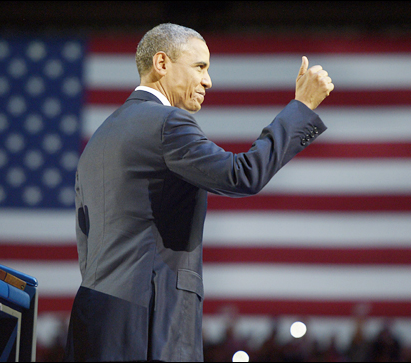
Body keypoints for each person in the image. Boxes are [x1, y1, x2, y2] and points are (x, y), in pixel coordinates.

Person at [63, 23, 333, 362]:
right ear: (162, 63)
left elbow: (87, 247)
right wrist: (302, 109)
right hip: (146, 325)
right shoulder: (166, 123)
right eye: (200, 67)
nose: (208, 81)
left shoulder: (98, 141)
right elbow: (242, 175)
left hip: (94, 318)